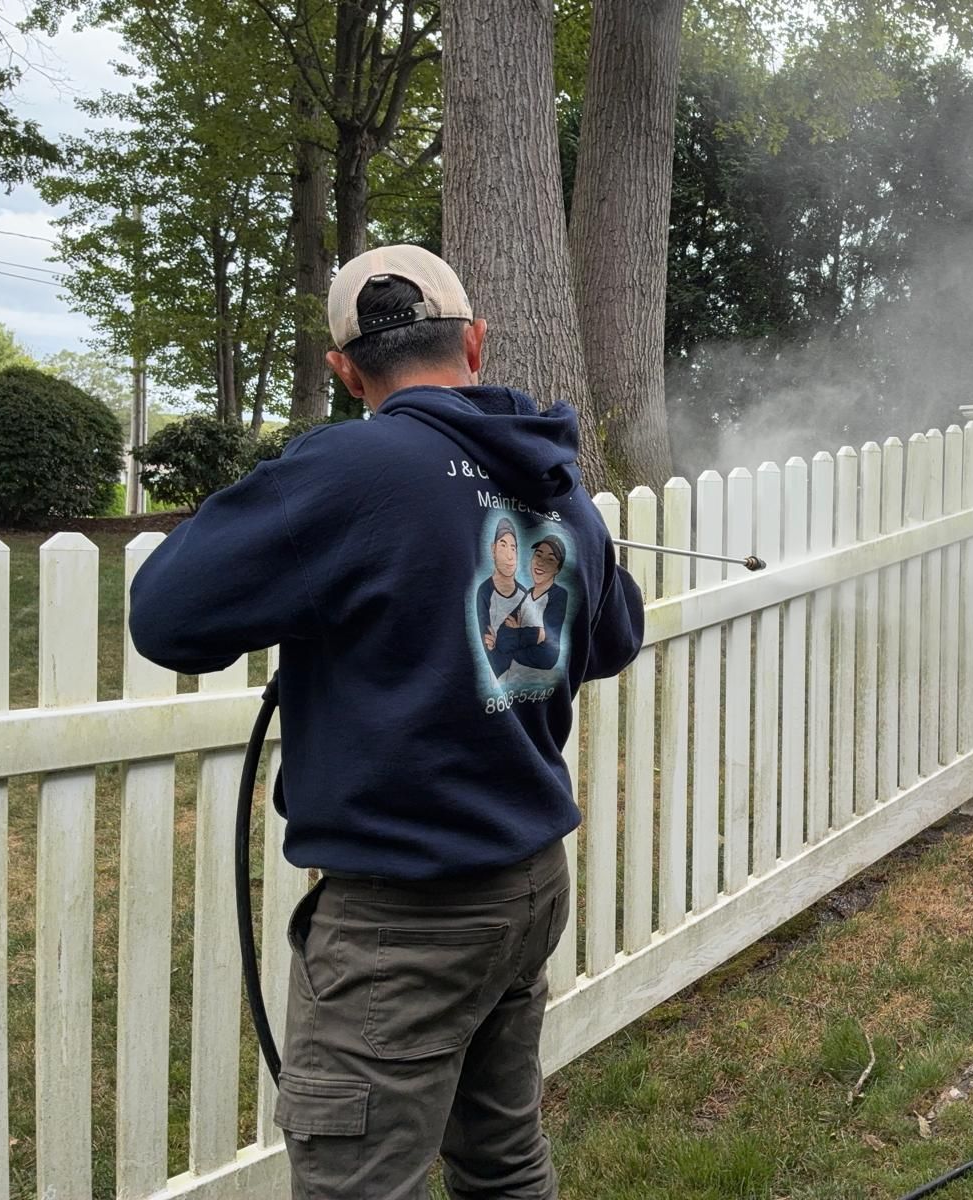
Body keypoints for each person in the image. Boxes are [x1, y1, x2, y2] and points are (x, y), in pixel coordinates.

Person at [127, 244, 644, 1200]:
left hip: (401, 921)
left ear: (346, 369)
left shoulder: (347, 469)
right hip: (525, 883)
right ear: (476, 344)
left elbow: (164, 616)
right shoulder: (558, 482)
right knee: (504, 1163)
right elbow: (611, 639)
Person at [495, 534, 569, 692]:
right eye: (538, 555)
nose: (541, 562)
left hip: (536, 681)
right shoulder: (527, 594)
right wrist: (535, 634)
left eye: (550, 559)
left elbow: (547, 655)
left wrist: (516, 634)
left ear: (557, 568)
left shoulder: (559, 595)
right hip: (512, 678)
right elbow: (501, 636)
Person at [478, 517, 528, 678]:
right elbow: (487, 649)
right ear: (493, 550)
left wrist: (500, 643)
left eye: (513, 548)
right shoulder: (484, 593)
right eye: (503, 545)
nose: (509, 556)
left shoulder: (524, 596)